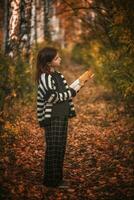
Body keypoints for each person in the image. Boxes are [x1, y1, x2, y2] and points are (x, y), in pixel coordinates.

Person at [35, 47, 83, 188]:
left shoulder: (58, 75)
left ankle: (58, 179)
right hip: (52, 117)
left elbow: (64, 92)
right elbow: (52, 97)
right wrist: (71, 93)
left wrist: (76, 88)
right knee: (53, 148)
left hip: (62, 116)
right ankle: (50, 181)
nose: (60, 59)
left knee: (60, 147)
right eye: (57, 58)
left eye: (59, 57)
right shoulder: (45, 77)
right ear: (49, 62)